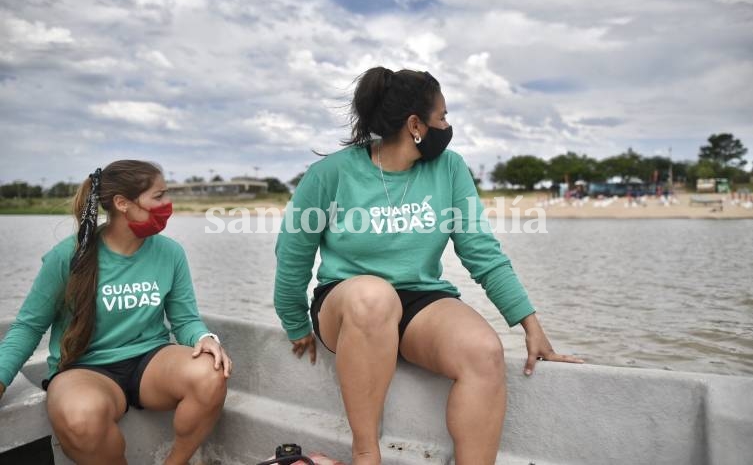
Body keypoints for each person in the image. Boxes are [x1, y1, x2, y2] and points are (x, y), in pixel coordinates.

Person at [274, 67, 583, 465]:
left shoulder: (449, 168)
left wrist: (530, 325)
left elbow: (481, 252)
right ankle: (365, 454)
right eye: (443, 117)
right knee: (374, 297)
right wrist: (295, 322)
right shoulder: (330, 175)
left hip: (420, 301)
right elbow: (293, 253)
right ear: (416, 125)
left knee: (484, 353)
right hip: (348, 305)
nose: (447, 125)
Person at [0, 160, 231, 465]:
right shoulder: (67, 257)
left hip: (150, 361)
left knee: (211, 372)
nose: (168, 204)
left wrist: (205, 337)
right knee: (80, 419)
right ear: (123, 204)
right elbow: (28, 328)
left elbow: (185, 319)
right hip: (85, 369)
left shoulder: (170, 252)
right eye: (159, 196)